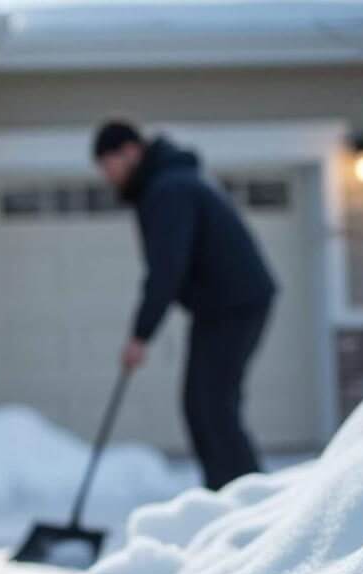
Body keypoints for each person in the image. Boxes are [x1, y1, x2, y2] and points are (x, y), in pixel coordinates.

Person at [92, 119, 277, 491]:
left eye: (108, 164)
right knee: (205, 406)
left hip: (233, 303)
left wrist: (140, 335)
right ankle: (230, 496)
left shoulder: (169, 190)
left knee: (212, 407)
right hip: (222, 305)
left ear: (131, 151)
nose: (107, 176)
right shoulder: (168, 183)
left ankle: (248, 502)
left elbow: (167, 270)